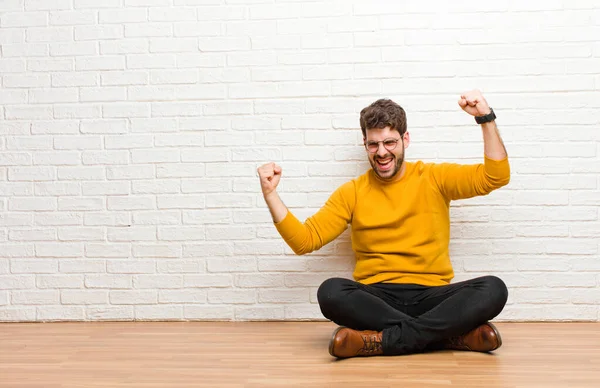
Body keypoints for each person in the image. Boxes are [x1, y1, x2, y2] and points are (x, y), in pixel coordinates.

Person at [257, 90, 510, 358]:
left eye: (390, 142)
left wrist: (486, 118)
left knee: (493, 288)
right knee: (331, 292)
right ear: (365, 143)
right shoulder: (352, 192)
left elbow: (496, 177)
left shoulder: (433, 177)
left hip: (433, 298)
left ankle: (380, 341)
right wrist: (270, 194)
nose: (382, 152)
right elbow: (304, 241)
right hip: (377, 300)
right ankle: (449, 336)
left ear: (405, 139)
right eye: (373, 144)